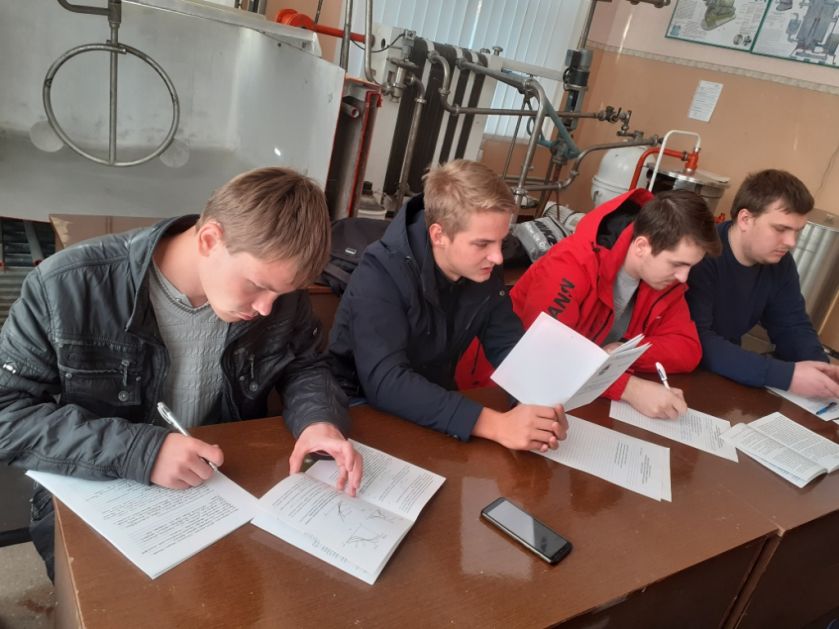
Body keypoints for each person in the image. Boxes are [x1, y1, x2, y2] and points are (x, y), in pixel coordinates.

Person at [0, 167, 362, 579]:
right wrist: (142, 451)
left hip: (216, 487)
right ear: (209, 239)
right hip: (100, 486)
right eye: (255, 286)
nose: (266, 308)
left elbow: (305, 365)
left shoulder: (278, 296)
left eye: (281, 294)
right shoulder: (67, 285)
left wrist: (318, 421)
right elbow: (7, 415)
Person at [329, 159, 568, 452]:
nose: (497, 258)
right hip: (359, 409)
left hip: (436, 405)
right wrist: (497, 425)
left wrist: (535, 405)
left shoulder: (482, 268)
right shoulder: (379, 272)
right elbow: (385, 381)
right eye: (482, 244)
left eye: (501, 242)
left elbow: (507, 344)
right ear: (439, 235)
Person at [460, 188, 721, 420]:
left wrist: (622, 352)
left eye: (690, 266)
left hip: (576, 397)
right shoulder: (572, 264)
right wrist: (627, 387)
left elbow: (687, 349)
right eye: (678, 264)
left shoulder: (665, 279)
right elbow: (540, 356)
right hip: (494, 393)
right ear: (642, 246)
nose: (684, 277)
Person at [686, 169, 839, 398]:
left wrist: (822, 370)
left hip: (726, 377)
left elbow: (792, 325)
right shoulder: (701, 255)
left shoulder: (780, 263)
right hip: (682, 374)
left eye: (797, 231)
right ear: (745, 219)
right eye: (781, 229)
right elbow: (698, 340)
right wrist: (787, 376)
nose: (791, 242)